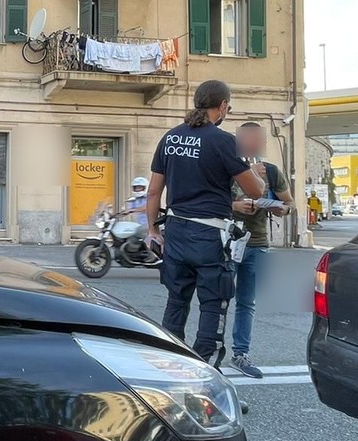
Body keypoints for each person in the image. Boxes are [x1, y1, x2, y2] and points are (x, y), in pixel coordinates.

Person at [145, 80, 264, 365]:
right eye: (228, 108)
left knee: (176, 300)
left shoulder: (170, 137)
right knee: (213, 305)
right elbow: (256, 191)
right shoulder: (223, 141)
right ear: (222, 106)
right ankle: (204, 368)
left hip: (175, 231)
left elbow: (153, 191)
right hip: (210, 235)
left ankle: (171, 361)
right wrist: (251, 169)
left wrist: (152, 230)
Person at [229, 122, 294, 379]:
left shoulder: (271, 171)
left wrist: (280, 208)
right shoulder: (227, 167)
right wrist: (235, 205)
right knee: (217, 299)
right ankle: (210, 353)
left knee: (247, 302)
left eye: (261, 140)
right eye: (251, 140)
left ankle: (241, 354)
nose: (257, 145)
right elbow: (210, 201)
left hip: (257, 243)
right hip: (228, 242)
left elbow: (289, 203)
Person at [121, 176, 157, 262]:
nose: (138, 189)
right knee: (130, 236)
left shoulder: (149, 198)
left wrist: (132, 210)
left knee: (140, 230)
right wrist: (115, 215)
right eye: (136, 187)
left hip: (150, 223)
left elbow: (147, 207)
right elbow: (127, 210)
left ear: (145, 187)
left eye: (140, 187)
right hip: (138, 225)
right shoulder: (133, 200)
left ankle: (153, 254)